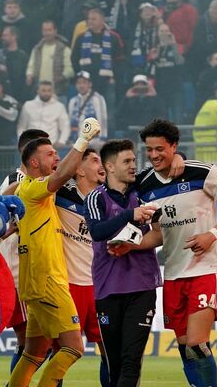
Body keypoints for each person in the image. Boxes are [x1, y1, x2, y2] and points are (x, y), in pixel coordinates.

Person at [129, 120, 217, 387]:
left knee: (196, 344)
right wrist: (131, 246)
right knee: (184, 347)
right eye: (149, 150)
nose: (155, 155)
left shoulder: (202, 172)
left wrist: (211, 235)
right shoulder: (144, 184)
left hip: (207, 268)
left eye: (161, 149)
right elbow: (157, 233)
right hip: (173, 273)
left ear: (174, 146)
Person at [7, 117, 101, 387]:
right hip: (48, 280)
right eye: (50, 154)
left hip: (35, 281)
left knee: (33, 354)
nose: (56, 156)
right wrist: (82, 141)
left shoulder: (31, 191)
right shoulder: (34, 188)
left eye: (57, 152)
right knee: (73, 348)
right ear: (34, 164)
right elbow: (60, 176)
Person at [85, 139, 163, 386]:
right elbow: (97, 232)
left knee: (131, 360)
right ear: (109, 166)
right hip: (108, 288)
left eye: (133, 161)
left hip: (141, 286)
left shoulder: (142, 191)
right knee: (114, 363)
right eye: (126, 161)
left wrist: (180, 157)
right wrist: (130, 215)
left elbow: (170, 162)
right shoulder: (95, 198)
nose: (133, 165)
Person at [0, 129, 50, 377]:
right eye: (44, 151)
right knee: (29, 341)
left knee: (39, 342)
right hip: (20, 271)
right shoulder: (14, 181)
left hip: (38, 270)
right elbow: (2, 216)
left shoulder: (42, 183)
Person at [55, 148, 108, 385]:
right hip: (69, 287)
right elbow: (28, 186)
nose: (102, 165)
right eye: (95, 160)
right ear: (78, 169)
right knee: (60, 352)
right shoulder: (60, 194)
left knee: (110, 352)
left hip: (101, 287)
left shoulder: (109, 200)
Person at [17, 81, 69, 148]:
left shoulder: (59, 106)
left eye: (49, 90)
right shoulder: (28, 105)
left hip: (51, 146)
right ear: (38, 91)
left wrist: (62, 141)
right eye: (43, 90)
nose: (46, 93)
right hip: (30, 146)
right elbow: (21, 127)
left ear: (52, 91)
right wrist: (22, 141)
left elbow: (65, 127)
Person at [68, 71, 108, 143]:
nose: (81, 85)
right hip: (77, 140)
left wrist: (102, 139)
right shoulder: (73, 101)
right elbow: (70, 120)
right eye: (79, 83)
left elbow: (102, 119)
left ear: (90, 84)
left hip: (94, 140)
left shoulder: (97, 98)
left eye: (84, 82)